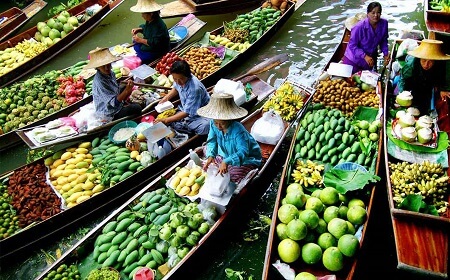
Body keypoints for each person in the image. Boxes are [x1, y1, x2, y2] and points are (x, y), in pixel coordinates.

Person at [197, 93, 262, 184]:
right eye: (216, 123)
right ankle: (221, 161)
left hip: (246, 158)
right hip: (226, 153)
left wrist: (227, 161)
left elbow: (243, 152)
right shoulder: (213, 124)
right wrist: (211, 155)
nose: (218, 126)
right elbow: (212, 141)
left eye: (222, 123)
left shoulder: (238, 130)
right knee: (207, 150)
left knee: (233, 176)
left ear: (229, 119)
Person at [85, 47, 142, 120]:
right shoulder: (100, 82)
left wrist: (127, 89)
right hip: (109, 112)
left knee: (124, 87)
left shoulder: (110, 73)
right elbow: (114, 103)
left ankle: (125, 103)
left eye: (108, 64)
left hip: (114, 101)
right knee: (137, 108)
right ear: (98, 67)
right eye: (103, 66)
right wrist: (127, 90)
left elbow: (116, 89)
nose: (106, 68)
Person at [155, 60, 210, 135]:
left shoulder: (195, 89)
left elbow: (187, 112)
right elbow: (176, 88)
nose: (178, 82)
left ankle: (187, 128)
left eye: (181, 79)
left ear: (188, 75)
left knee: (205, 127)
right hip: (184, 108)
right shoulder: (178, 79)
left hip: (200, 114)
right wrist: (166, 98)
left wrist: (166, 120)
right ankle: (183, 124)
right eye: (175, 79)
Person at [397, 39, 450, 114]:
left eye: (430, 61)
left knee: (426, 100)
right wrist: (402, 96)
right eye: (424, 61)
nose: (426, 65)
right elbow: (403, 81)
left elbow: (447, 72)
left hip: (429, 81)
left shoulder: (442, 63)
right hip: (414, 80)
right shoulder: (410, 66)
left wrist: (444, 88)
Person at [342, 2, 390, 74]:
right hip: (353, 60)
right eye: (373, 13)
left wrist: (386, 54)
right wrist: (364, 56)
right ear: (367, 14)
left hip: (369, 60)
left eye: (378, 12)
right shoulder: (359, 27)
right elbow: (352, 45)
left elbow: (383, 40)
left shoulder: (384, 23)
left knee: (367, 81)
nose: (376, 15)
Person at [130, 0, 170, 64]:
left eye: (143, 13)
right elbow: (147, 28)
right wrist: (139, 29)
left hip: (158, 49)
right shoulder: (150, 20)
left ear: (151, 14)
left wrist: (140, 40)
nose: (142, 15)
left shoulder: (158, 25)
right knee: (136, 44)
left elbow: (155, 43)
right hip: (150, 44)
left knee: (141, 57)